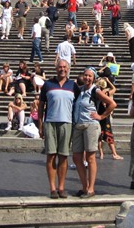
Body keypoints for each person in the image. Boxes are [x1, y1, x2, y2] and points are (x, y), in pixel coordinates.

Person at [72, 67, 116, 198]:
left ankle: (91, 189)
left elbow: (112, 104)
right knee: (77, 157)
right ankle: (84, 186)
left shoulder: (95, 90)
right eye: (85, 75)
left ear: (94, 78)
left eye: (90, 76)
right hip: (78, 125)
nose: (87, 78)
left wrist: (101, 116)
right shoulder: (79, 90)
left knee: (90, 157)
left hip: (91, 125)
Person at [38, 60, 80, 199]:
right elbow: (41, 106)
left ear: (68, 69)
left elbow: (78, 105)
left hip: (67, 123)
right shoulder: (47, 84)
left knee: (63, 156)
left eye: (64, 67)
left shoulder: (73, 86)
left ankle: (61, 187)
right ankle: (52, 188)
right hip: (50, 122)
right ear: (56, 69)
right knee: (51, 155)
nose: (62, 69)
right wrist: (40, 124)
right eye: (60, 67)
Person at [96, 77, 122, 161]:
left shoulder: (96, 94)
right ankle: (114, 154)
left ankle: (101, 153)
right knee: (109, 134)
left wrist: (97, 81)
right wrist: (108, 81)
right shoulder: (106, 93)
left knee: (99, 136)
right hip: (105, 115)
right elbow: (114, 88)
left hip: (98, 115)